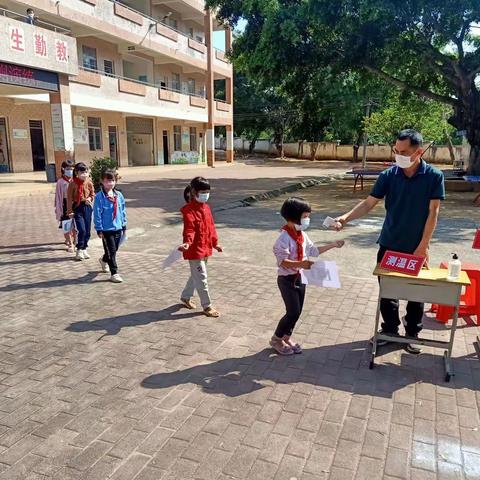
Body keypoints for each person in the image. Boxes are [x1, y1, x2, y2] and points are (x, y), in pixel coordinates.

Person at [334, 129, 445, 354]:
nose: (398, 155)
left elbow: (433, 212)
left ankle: (412, 333)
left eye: (404, 151)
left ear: (419, 152)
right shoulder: (389, 175)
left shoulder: (434, 176)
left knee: (417, 293)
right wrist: (345, 217)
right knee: (388, 291)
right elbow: (368, 203)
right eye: (396, 150)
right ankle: (390, 330)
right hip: (389, 243)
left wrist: (423, 247)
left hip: (417, 247)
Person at [271, 197, 345, 355]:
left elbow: (313, 251)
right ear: (293, 216)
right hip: (287, 280)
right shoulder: (283, 239)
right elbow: (282, 262)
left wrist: (333, 244)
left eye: (308, 216)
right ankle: (276, 339)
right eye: (305, 217)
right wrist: (300, 264)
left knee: (298, 311)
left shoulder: (302, 235)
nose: (307, 220)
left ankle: (286, 336)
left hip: (300, 278)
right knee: (292, 311)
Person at [179, 176, 222, 318]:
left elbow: (211, 227)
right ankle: (207, 306)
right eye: (202, 192)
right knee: (202, 277)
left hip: (205, 248)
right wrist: (187, 242)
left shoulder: (206, 208)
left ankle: (185, 296)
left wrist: (215, 243)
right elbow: (189, 230)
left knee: (196, 275)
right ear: (194, 192)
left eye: (207, 192)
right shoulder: (189, 211)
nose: (205, 195)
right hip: (194, 250)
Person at [93, 169, 127, 283]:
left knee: (113, 250)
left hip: (117, 227)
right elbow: (97, 213)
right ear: (102, 181)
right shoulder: (99, 197)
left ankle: (103, 260)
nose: (110, 183)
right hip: (106, 229)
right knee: (111, 251)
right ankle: (114, 273)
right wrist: (99, 228)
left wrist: (124, 224)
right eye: (107, 181)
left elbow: (122, 210)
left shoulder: (119, 195)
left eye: (112, 180)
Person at [67, 162, 95, 261]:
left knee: (87, 230)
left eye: (86, 172)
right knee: (81, 229)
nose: (84, 174)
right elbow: (69, 198)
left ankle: (84, 248)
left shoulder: (89, 182)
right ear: (76, 173)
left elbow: (92, 194)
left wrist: (90, 199)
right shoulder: (72, 183)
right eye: (82, 172)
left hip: (87, 207)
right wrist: (69, 211)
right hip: (77, 207)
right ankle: (79, 249)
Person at [54, 159, 75, 252]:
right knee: (66, 224)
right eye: (68, 168)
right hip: (65, 204)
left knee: (75, 224)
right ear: (63, 169)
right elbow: (58, 196)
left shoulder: (75, 180)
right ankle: (70, 243)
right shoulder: (60, 182)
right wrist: (58, 208)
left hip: (74, 204)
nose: (70, 170)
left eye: (71, 168)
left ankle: (75, 241)